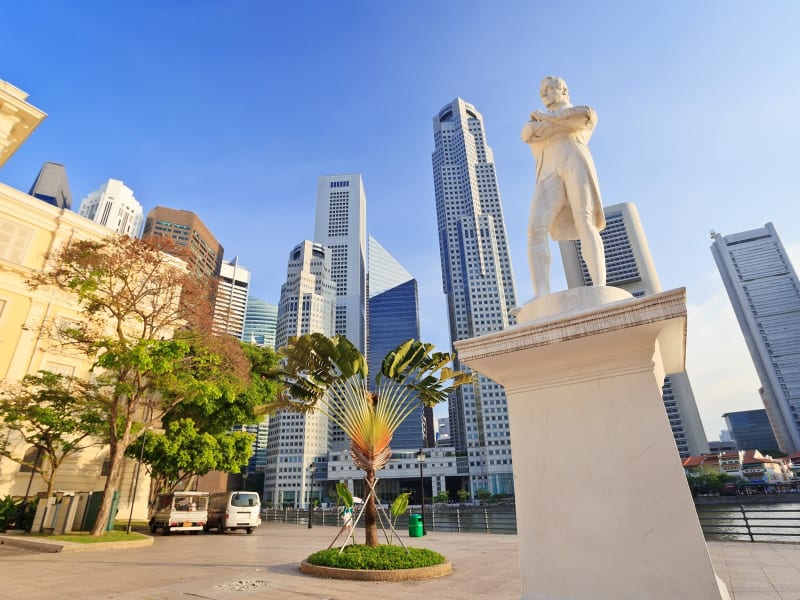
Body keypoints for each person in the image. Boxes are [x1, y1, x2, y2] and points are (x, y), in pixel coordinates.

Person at [521, 76, 606, 298]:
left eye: (550, 89)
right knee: (534, 230)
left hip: (573, 161)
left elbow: (584, 115)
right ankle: (541, 294)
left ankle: (599, 286)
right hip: (547, 173)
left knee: (585, 219)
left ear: (564, 91)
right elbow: (527, 134)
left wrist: (548, 120)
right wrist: (556, 123)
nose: (545, 94)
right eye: (542, 92)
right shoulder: (539, 121)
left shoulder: (582, 112)